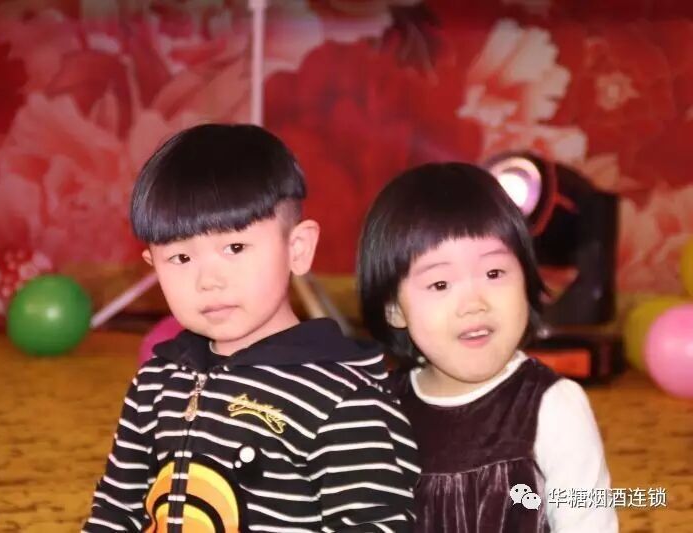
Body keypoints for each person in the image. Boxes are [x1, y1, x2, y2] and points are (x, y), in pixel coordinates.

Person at [83, 123, 419, 532]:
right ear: (153, 265)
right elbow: (116, 510)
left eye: (235, 247)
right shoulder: (156, 381)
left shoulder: (342, 400)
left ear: (297, 249)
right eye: (181, 258)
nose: (208, 280)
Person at [357, 162, 617, 532]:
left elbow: (589, 521)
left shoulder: (553, 407)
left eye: (494, 273)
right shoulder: (377, 410)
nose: (474, 303)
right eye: (440, 284)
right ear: (394, 309)